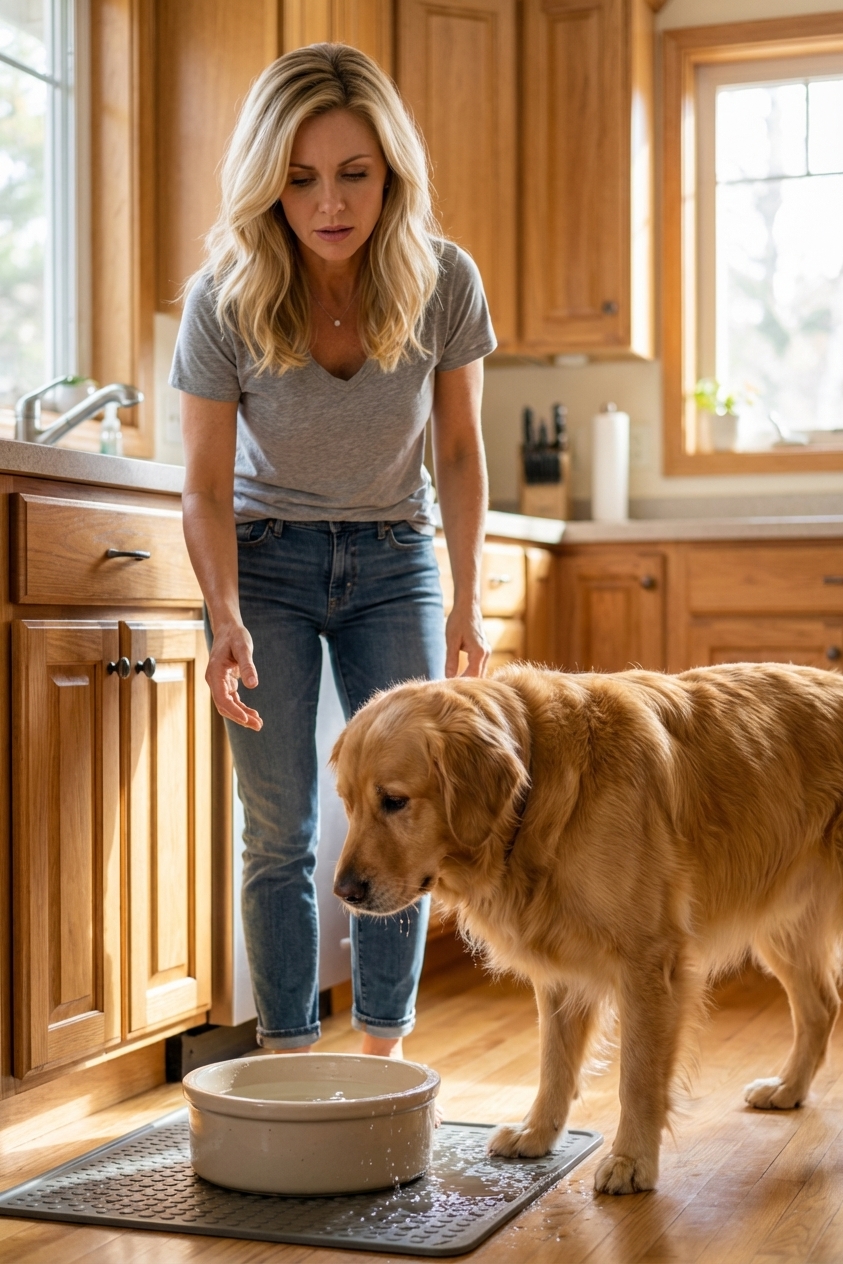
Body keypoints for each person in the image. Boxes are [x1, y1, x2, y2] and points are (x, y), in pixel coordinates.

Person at [170, 43, 495, 1057]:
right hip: (263, 562)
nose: (330, 203)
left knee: (403, 816)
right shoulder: (223, 296)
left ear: (391, 170)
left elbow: (459, 450)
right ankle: (288, 1061)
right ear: (269, 181)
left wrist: (469, 599)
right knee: (280, 829)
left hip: (396, 557)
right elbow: (204, 483)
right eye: (302, 177)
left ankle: (384, 1055)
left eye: (354, 172)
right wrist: (224, 618)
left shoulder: (445, 281)